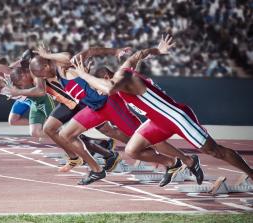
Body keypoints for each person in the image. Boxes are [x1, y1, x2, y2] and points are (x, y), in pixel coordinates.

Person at [72, 34, 253, 180]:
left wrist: (83, 75)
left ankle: (251, 174)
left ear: (105, 77)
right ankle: (184, 163)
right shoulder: (123, 70)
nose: (99, 93)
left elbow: (109, 88)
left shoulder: (122, 79)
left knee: (215, 151)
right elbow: (137, 55)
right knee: (132, 150)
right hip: (158, 121)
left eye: (97, 88)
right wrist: (157, 50)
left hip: (177, 117)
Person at [29, 44, 203, 186]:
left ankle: (188, 161)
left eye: (41, 74)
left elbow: (68, 55)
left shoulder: (63, 67)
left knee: (152, 141)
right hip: (95, 108)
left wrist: (48, 55)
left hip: (111, 104)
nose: (42, 78)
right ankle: (97, 170)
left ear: (46, 66)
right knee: (66, 134)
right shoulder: (53, 75)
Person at [9, 53, 121, 174]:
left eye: (21, 83)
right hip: (67, 103)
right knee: (51, 129)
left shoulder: (37, 72)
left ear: (25, 72)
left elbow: (40, 91)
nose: (22, 85)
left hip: (77, 101)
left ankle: (120, 148)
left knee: (106, 131)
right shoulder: (35, 71)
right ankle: (76, 158)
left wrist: (18, 91)